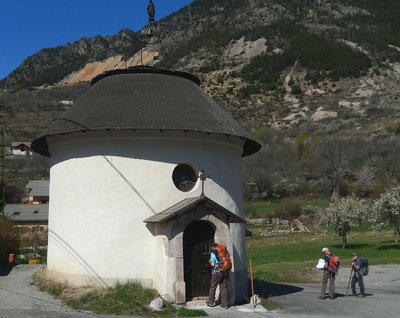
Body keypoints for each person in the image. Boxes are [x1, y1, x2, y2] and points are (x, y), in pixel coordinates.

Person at [206, 243, 229, 309]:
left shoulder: (213, 254)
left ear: (213, 248)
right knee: (224, 288)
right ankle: (225, 304)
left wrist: (210, 261)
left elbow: (213, 264)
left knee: (213, 287)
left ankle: (210, 302)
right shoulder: (224, 253)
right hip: (224, 272)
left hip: (217, 272)